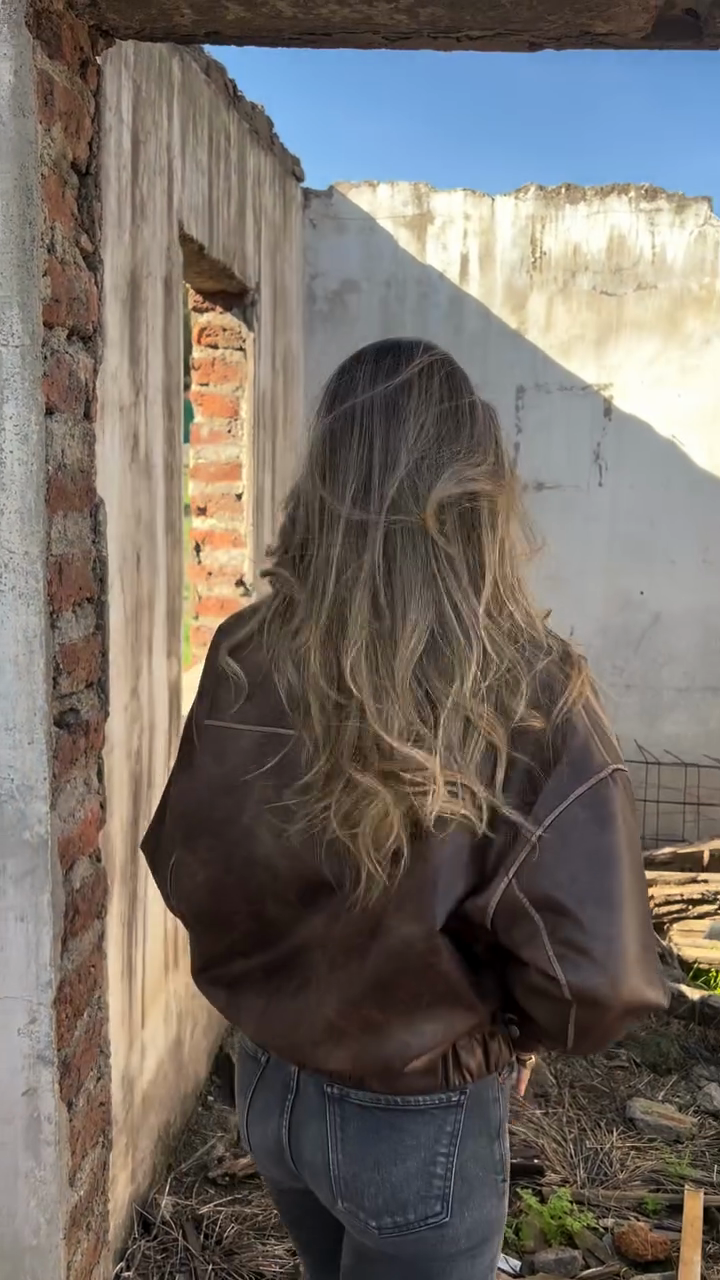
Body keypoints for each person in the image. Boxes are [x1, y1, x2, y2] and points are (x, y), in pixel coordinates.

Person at [142, 339, 667, 1280]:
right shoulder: (529, 692)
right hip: (417, 1124)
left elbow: (184, 860)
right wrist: (508, 1035)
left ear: (324, 480)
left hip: (267, 1091)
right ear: (477, 491)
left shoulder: (247, 649)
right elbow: (600, 981)